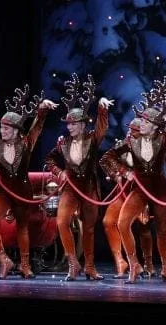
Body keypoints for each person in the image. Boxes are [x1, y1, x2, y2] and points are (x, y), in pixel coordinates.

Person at [100, 76, 166, 283]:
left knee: (161, 231)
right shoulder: (131, 140)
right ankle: (133, 263)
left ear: (155, 126)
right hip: (140, 188)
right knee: (123, 223)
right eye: (141, 120)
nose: (141, 124)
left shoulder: (163, 138)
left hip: (159, 188)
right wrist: (124, 172)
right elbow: (107, 158)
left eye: (145, 121)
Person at [0, 85, 57, 279]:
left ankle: (25, 265)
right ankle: (4, 260)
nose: (2, 131)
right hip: (3, 191)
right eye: (1, 128)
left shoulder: (26, 143)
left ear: (15, 130)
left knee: (22, 227)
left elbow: (37, 127)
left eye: (5, 128)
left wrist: (42, 109)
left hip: (22, 191)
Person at [44, 73, 113, 281]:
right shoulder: (62, 143)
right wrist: (60, 172)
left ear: (83, 124)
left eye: (74, 124)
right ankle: (73, 262)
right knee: (62, 221)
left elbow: (103, 128)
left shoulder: (92, 139)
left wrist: (102, 109)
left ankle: (90, 266)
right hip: (70, 187)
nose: (70, 127)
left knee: (89, 229)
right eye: (68, 124)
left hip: (89, 187)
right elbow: (50, 160)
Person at [100, 118, 156, 279]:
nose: (131, 133)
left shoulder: (150, 146)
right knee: (108, 222)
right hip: (123, 192)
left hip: (142, 192)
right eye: (130, 130)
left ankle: (148, 263)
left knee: (144, 226)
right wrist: (116, 173)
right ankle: (121, 261)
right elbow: (104, 160)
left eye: (135, 131)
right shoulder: (124, 144)